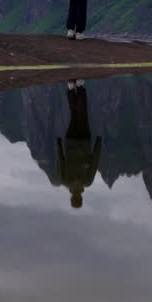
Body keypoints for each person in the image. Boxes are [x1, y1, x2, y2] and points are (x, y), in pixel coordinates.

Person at [56, 79, 102, 209]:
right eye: (77, 198)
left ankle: (79, 87)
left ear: (75, 198)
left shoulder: (84, 181)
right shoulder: (72, 181)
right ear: (77, 197)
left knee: (80, 114)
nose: (76, 196)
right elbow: (61, 160)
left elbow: (94, 162)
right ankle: (71, 89)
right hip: (73, 140)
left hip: (82, 140)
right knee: (75, 115)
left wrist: (98, 143)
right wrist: (59, 144)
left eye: (75, 198)